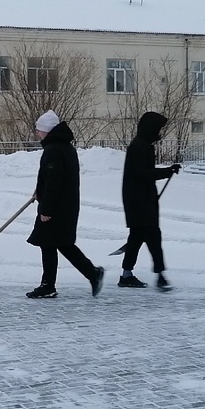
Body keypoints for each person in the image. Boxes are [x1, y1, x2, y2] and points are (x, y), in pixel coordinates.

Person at [26, 110, 104, 299]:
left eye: (39, 130)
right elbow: (54, 178)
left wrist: (46, 209)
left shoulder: (53, 150)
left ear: (47, 130)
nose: (37, 133)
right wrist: (40, 191)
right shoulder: (65, 147)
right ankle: (91, 273)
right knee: (61, 244)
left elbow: (54, 181)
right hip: (66, 206)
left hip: (56, 208)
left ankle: (49, 285)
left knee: (50, 244)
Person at [119, 112, 180, 291]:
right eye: (158, 128)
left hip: (140, 200)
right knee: (152, 237)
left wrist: (166, 171)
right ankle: (159, 276)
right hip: (140, 202)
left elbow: (144, 173)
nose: (160, 132)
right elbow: (143, 175)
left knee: (137, 239)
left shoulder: (142, 145)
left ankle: (127, 275)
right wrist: (167, 171)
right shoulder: (140, 147)